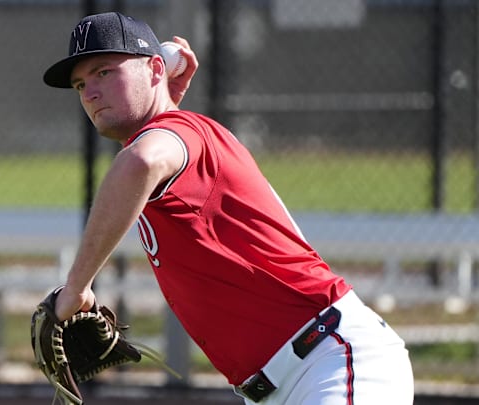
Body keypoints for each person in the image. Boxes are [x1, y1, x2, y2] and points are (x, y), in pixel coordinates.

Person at [42, 11, 414, 404]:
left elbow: (142, 161)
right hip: (287, 382)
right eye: (80, 84)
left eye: (103, 72)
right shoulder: (176, 136)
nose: (90, 92)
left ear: (155, 69)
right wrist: (157, 101)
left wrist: (76, 290)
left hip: (329, 361)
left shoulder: (170, 138)